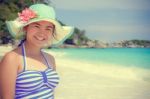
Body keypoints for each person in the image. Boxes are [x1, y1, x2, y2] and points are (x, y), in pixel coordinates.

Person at [0, 3, 74, 99]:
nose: (42, 33)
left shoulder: (50, 59)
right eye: (36, 26)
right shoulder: (12, 58)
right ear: (26, 27)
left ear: (52, 32)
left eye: (48, 28)